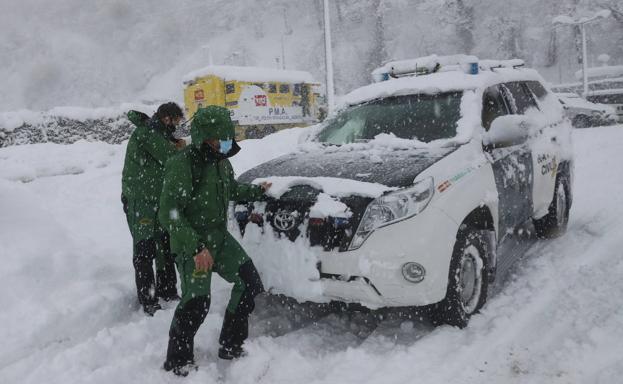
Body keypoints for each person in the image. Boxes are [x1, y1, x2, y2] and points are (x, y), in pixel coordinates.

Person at [159, 105, 271, 376]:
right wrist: (196, 247)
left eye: (226, 140)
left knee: (249, 283)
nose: (224, 145)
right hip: (193, 242)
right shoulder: (183, 164)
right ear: (203, 138)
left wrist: (256, 190)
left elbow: (230, 189)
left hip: (219, 238)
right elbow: (168, 212)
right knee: (197, 302)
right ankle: (178, 359)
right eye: (219, 140)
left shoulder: (221, 160)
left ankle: (231, 345)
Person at [121, 102, 186, 316]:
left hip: (157, 201)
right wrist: (180, 146)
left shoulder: (158, 133)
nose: (177, 126)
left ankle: (167, 290)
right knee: (145, 250)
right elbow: (169, 157)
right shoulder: (146, 133)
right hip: (141, 202)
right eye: (175, 121)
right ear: (167, 118)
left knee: (165, 245)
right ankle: (147, 299)